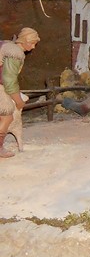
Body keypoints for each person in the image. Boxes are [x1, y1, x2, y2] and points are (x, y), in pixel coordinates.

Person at [0, 28, 40, 159]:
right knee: (7, 116)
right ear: (24, 40)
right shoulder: (15, 53)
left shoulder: (8, 45)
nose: (33, 47)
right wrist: (18, 101)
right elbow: (9, 80)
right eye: (32, 43)